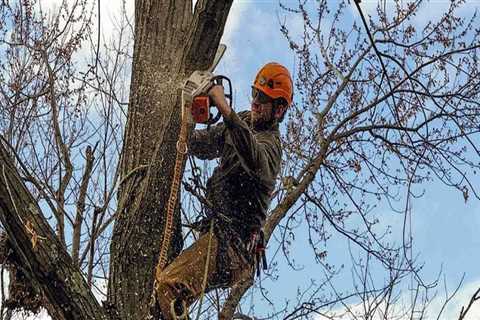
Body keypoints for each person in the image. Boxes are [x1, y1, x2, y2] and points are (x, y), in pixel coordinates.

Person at [153, 62, 294, 319]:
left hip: (233, 247)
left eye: (263, 98)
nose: (256, 102)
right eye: (255, 94)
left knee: (169, 288)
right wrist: (185, 123)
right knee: (163, 300)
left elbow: (253, 158)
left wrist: (225, 110)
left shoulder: (271, 147)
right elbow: (204, 145)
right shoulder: (242, 121)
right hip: (214, 236)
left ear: (279, 109)